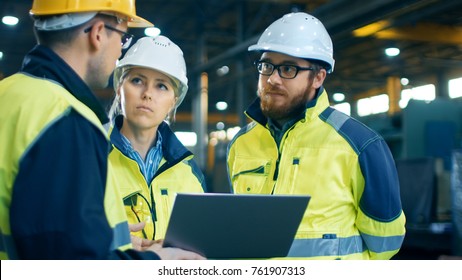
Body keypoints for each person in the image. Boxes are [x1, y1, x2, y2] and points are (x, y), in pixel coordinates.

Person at [0, 0, 203, 260]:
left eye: (161, 86)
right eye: (123, 37)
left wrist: (113, 238)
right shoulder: (66, 120)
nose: (120, 49)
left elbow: (42, 228)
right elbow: (71, 262)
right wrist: (155, 262)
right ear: (98, 33)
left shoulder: (9, 93)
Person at [227, 12, 406, 260]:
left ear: (318, 77)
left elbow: (385, 243)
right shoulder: (241, 143)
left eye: (288, 68)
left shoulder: (361, 145)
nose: (272, 79)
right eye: (267, 66)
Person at [108, 36, 207, 241]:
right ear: (119, 89)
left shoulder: (189, 172)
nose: (147, 94)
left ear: (173, 102)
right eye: (137, 81)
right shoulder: (91, 156)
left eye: (161, 86)